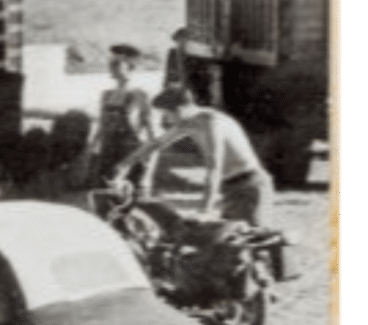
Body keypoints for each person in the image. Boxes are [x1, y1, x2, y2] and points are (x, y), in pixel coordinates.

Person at [110, 85, 272, 226]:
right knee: (228, 247)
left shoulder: (211, 121)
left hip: (250, 185)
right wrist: (124, 164)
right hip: (231, 187)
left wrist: (204, 210)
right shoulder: (188, 123)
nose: (166, 120)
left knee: (253, 240)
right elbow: (156, 144)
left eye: (167, 115)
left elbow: (214, 167)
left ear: (179, 110)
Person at [82, 43, 158, 186]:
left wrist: (148, 174)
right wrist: (91, 149)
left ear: (131, 67)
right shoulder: (106, 95)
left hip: (129, 156)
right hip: (107, 154)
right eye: (111, 63)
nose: (111, 67)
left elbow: (153, 138)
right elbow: (101, 126)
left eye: (117, 64)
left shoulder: (141, 95)